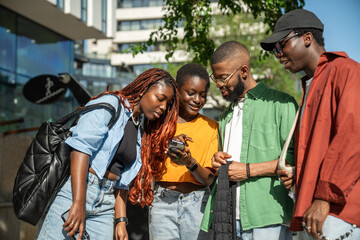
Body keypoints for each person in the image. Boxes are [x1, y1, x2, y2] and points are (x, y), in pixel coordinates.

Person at [36, 68, 179, 240]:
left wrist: (120, 221)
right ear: (143, 89)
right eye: (160, 98)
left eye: (167, 104)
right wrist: (79, 203)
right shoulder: (111, 104)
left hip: (106, 205)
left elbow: (122, 182)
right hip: (77, 192)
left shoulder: (139, 128)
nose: (163, 107)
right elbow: (81, 149)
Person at [260, 9, 360, 240]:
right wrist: (302, 175)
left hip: (339, 211)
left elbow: (352, 137)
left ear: (307, 38)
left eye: (281, 45)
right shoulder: (312, 84)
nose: (278, 54)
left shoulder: (347, 71)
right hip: (317, 210)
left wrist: (325, 197)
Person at [200, 41, 298, 240]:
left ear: (244, 71)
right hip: (228, 217)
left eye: (223, 78)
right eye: (215, 78)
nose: (218, 84)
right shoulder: (226, 115)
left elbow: (294, 161)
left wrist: (246, 170)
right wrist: (217, 159)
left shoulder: (281, 103)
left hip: (267, 217)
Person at [148, 63, 218, 240]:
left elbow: (209, 179)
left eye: (203, 95)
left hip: (197, 204)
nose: (197, 100)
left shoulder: (212, 128)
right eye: (191, 93)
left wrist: (190, 163)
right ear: (177, 91)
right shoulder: (158, 122)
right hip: (162, 203)